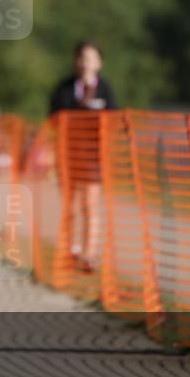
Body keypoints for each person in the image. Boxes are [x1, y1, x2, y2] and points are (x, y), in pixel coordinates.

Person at [49, 41, 120, 274]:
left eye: (90, 57)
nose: (85, 62)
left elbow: (112, 122)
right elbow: (54, 119)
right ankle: (71, 250)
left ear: (99, 62)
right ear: (75, 60)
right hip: (68, 153)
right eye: (81, 57)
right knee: (70, 205)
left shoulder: (105, 90)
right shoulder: (64, 89)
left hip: (93, 157)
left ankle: (88, 254)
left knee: (90, 204)